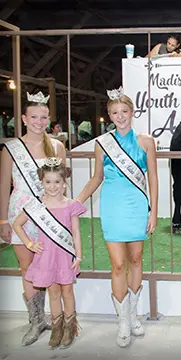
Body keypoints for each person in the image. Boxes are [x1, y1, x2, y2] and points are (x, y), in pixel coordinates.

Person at [76, 86, 158, 348]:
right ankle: (122, 319)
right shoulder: (102, 144)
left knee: (136, 259)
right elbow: (97, 178)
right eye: (115, 112)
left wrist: (154, 212)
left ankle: (133, 315)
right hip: (112, 207)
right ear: (109, 115)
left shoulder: (146, 141)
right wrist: (76, 202)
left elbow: (153, 179)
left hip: (136, 206)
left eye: (124, 111)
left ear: (132, 112)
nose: (120, 116)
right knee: (118, 265)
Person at [0, 91, 66, 346]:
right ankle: (36, 321)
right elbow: (4, 184)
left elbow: (61, 186)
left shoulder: (57, 146)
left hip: (49, 215)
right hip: (20, 214)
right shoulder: (11, 149)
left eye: (44, 117)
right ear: (24, 119)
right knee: (27, 269)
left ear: (48, 119)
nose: (39, 122)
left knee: (50, 266)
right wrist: (3, 222)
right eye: (34, 117)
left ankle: (57, 319)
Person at [13, 158, 86, 349]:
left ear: (64, 183)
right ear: (42, 182)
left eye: (57, 182)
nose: (52, 186)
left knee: (67, 291)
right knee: (53, 292)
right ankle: (57, 328)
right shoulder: (36, 205)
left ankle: (70, 328)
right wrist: (29, 243)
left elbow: (76, 232)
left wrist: (78, 255)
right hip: (46, 257)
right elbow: (17, 224)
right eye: (48, 182)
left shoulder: (71, 204)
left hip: (65, 257)